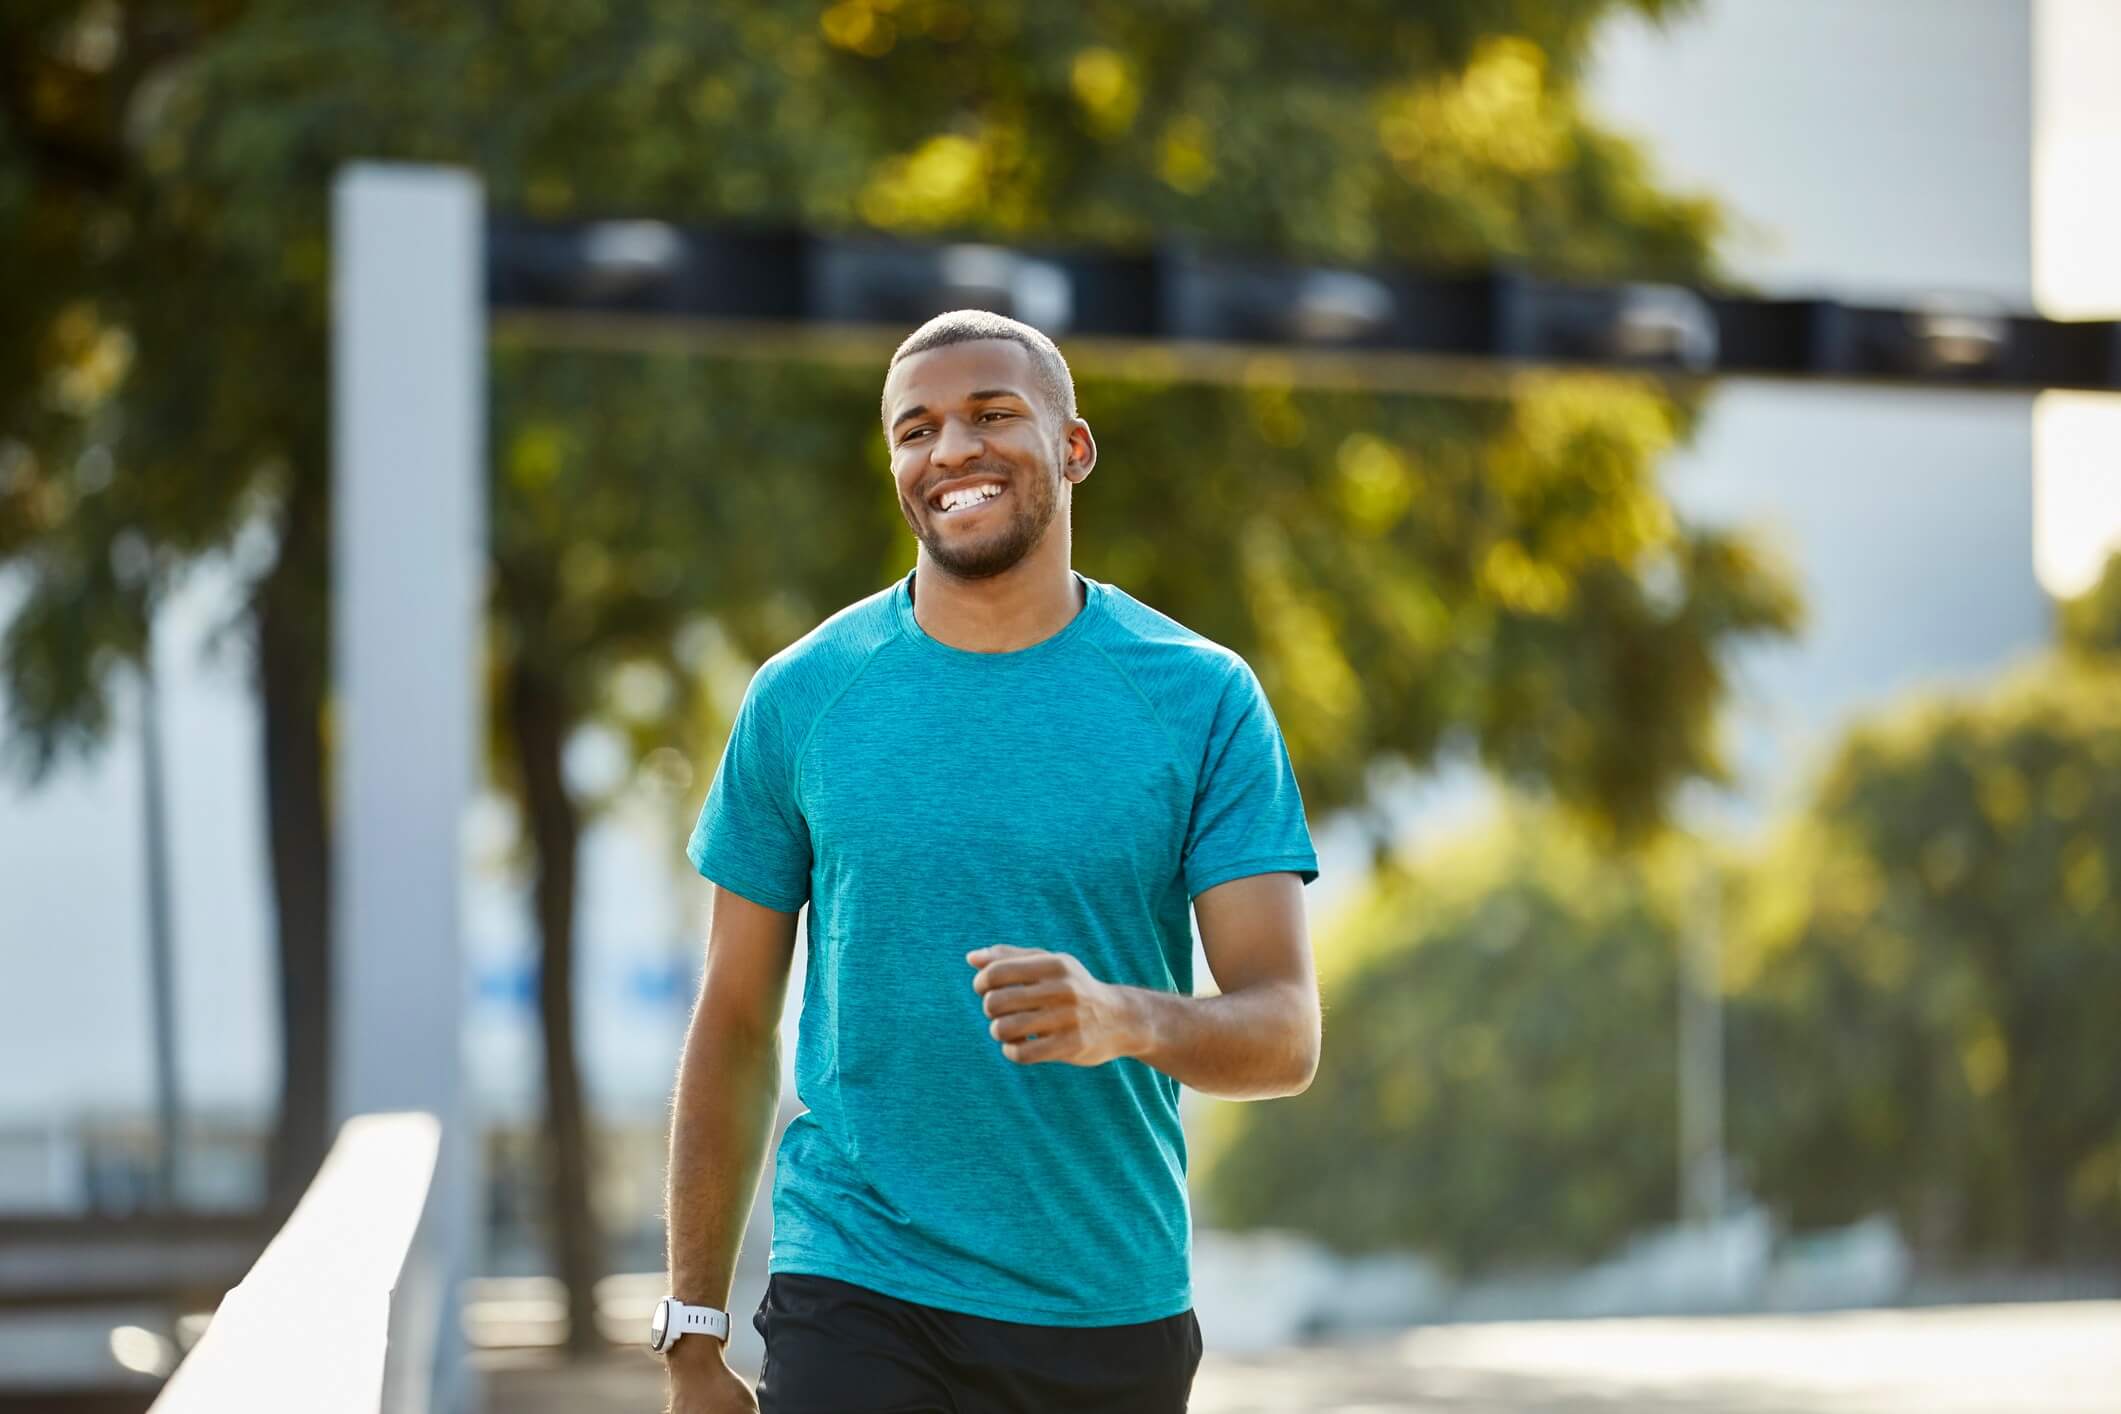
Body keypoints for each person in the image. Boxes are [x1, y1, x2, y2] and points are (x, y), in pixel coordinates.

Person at [662, 309, 1321, 1414]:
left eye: (991, 414)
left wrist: (1127, 1018)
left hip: (1107, 1306)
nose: (951, 450)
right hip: (859, 1283)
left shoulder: (1201, 697)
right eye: (915, 430)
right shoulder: (802, 697)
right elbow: (731, 1017)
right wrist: (691, 1332)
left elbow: (1286, 1028)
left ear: (1073, 447)